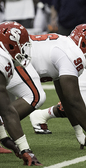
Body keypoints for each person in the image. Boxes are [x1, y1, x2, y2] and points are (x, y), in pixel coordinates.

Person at [28, 24, 86, 151]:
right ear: (83, 44)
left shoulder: (64, 46)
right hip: (12, 59)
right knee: (34, 97)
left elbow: (66, 100)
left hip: (19, 60)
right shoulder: (71, 53)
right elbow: (74, 100)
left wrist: (80, 133)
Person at [0, 20, 42, 165]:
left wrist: (5, 139)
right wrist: (25, 149)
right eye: (21, 45)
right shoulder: (3, 59)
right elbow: (7, 112)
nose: (23, 50)